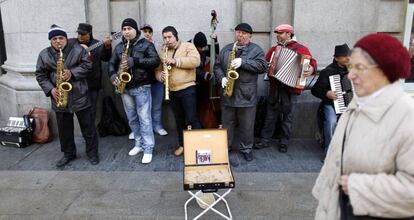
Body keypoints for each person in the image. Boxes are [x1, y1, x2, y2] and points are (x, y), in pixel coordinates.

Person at [312, 33, 414, 219]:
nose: (350, 75)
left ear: (384, 71)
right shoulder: (356, 106)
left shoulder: (407, 117)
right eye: (351, 66)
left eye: (359, 67)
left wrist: (357, 186)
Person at [35, 24, 98, 167]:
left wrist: (72, 73)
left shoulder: (78, 50)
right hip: (58, 97)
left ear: (66, 38)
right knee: (64, 130)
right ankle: (68, 153)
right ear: (50, 41)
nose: (58, 41)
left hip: (80, 95)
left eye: (61, 38)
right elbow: (40, 75)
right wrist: (51, 90)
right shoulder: (44, 54)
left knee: (88, 128)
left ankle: (92, 153)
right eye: (54, 39)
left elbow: (88, 66)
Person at [255, 24, 317, 153]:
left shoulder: (301, 49)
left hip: (291, 90)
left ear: (289, 34)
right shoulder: (274, 50)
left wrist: (311, 69)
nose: (278, 35)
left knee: (288, 117)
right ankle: (265, 140)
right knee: (270, 115)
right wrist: (267, 66)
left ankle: (284, 142)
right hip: (275, 88)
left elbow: (312, 63)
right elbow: (264, 63)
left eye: (281, 33)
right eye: (277, 33)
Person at [109, 18, 160, 164]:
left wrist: (135, 61)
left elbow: (155, 61)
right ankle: (139, 144)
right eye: (124, 29)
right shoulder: (119, 47)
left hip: (142, 87)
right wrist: (113, 75)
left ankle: (148, 147)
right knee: (132, 118)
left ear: (135, 30)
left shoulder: (145, 44)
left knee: (144, 119)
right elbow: (112, 63)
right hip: (125, 89)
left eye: (129, 29)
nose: (126, 32)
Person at [214, 23, 267, 161]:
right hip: (228, 93)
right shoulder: (226, 49)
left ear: (250, 35)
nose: (240, 35)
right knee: (227, 123)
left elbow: (262, 66)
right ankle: (226, 147)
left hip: (247, 94)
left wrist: (244, 62)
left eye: (243, 33)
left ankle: (246, 148)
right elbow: (217, 66)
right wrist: (222, 78)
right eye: (238, 32)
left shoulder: (256, 50)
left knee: (247, 125)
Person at [155, 26, 201, 156]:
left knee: (192, 118)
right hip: (172, 90)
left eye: (169, 37)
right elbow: (157, 69)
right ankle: (182, 145)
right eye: (164, 38)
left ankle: (199, 146)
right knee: (179, 120)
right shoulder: (162, 51)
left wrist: (176, 61)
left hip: (187, 89)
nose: (167, 40)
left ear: (176, 36)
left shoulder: (187, 46)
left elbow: (196, 61)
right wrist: (159, 76)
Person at [311, 44, 351, 161]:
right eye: (344, 57)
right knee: (331, 122)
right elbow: (315, 90)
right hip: (331, 104)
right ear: (337, 58)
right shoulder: (328, 72)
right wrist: (326, 93)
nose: (348, 58)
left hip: (350, 105)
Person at [69, 23, 112, 124]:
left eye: (83, 34)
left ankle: (90, 134)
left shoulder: (97, 44)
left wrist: (107, 47)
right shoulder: (71, 43)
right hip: (75, 82)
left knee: (92, 109)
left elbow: (106, 58)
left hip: (92, 83)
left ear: (89, 34)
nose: (80, 36)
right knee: (78, 109)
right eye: (79, 33)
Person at [191, 31, 221, 128]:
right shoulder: (188, 48)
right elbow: (190, 67)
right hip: (192, 82)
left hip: (205, 83)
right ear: (195, 46)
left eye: (205, 47)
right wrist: (204, 74)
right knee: (193, 106)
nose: (204, 49)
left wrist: (215, 41)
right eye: (201, 48)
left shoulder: (205, 48)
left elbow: (216, 53)